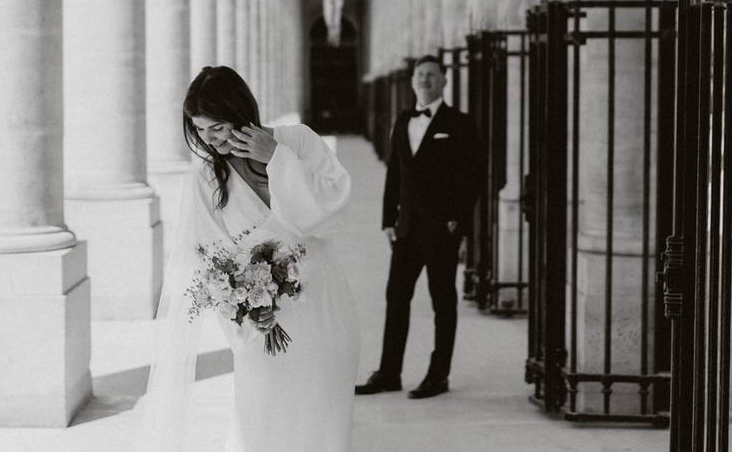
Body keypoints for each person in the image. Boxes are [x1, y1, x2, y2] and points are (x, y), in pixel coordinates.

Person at [141, 66, 359, 451]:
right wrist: (245, 310)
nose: (212, 141)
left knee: (325, 411)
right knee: (261, 416)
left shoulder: (298, 141)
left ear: (241, 111)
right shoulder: (207, 179)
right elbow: (210, 257)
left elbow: (333, 206)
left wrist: (277, 158)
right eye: (202, 131)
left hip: (324, 305)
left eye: (219, 127)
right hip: (261, 321)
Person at [355, 54, 484, 400]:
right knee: (396, 298)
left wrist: (458, 221)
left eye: (431, 75)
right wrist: (387, 219)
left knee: (443, 301)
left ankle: (438, 375)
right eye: (420, 75)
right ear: (412, 82)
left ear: (444, 81)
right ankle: (388, 372)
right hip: (407, 229)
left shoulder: (459, 122)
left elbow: (472, 177)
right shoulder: (403, 119)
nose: (425, 80)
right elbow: (395, 174)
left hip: (442, 229)